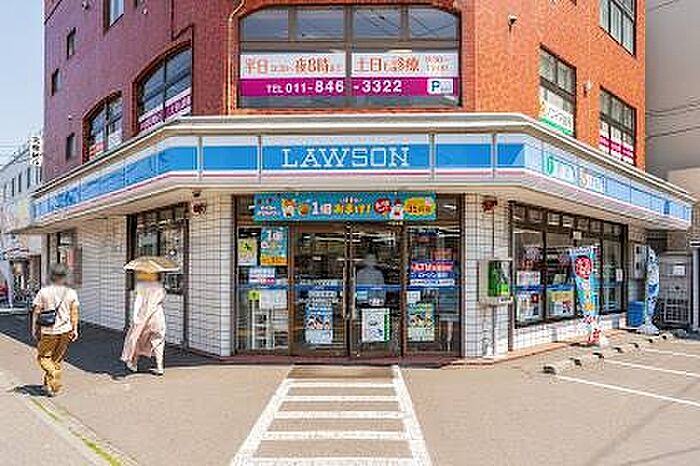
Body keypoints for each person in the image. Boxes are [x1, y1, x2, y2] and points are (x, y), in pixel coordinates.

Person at [31, 264, 80, 397]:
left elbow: (36, 312)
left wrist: (34, 328)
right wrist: (75, 329)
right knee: (56, 359)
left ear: (51, 276)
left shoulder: (43, 292)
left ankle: (53, 373)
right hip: (65, 331)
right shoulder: (71, 292)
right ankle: (50, 387)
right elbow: (74, 313)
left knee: (43, 357)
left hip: (48, 331)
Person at [121, 272, 166, 376]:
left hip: (144, 316)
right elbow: (162, 300)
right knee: (158, 340)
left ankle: (133, 363)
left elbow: (138, 302)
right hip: (158, 316)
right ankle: (160, 367)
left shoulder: (140, 286)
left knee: (136, 339)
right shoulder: (160, 286)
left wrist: (135, 318)